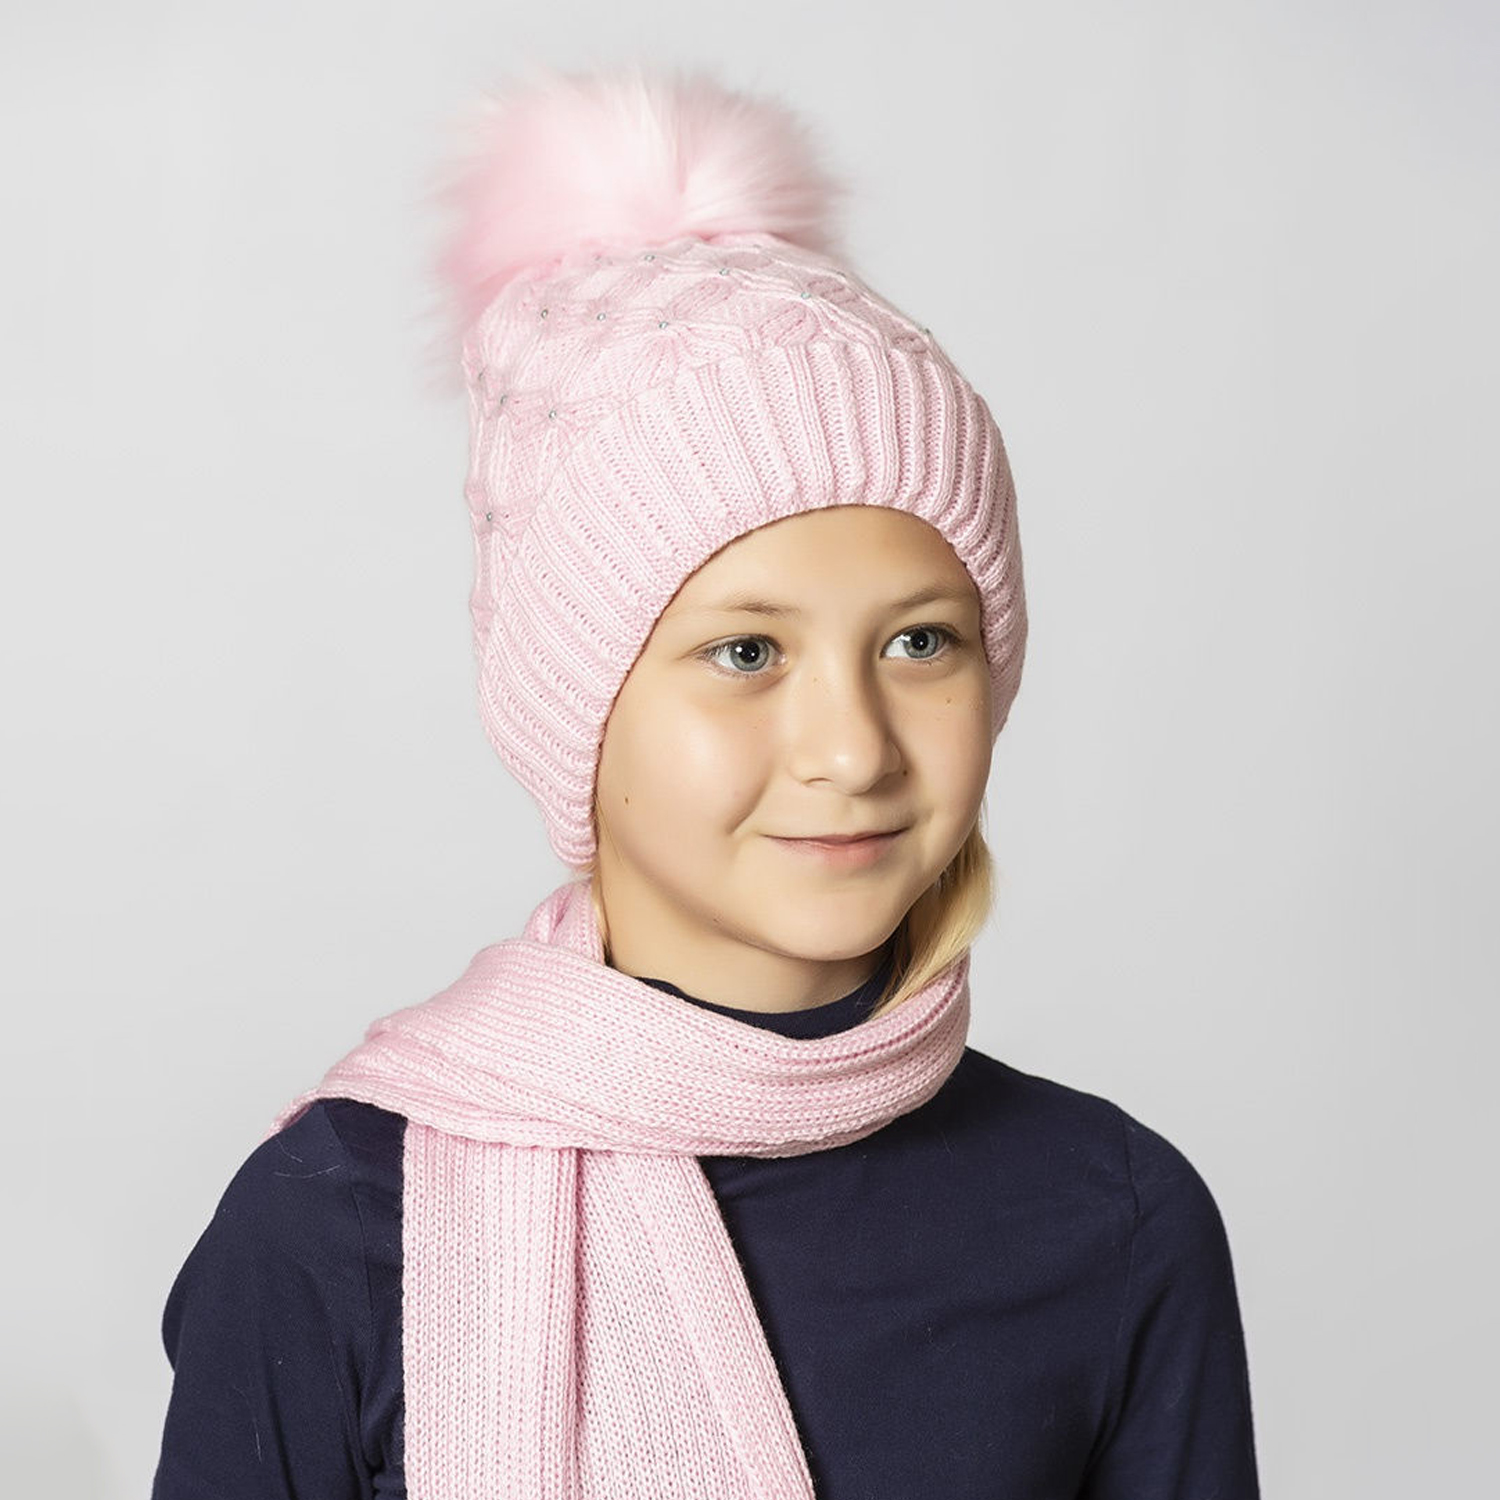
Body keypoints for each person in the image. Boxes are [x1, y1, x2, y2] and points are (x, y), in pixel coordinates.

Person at [150, 65, 1261, 1500]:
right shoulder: (336, 1231)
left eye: (920, 642)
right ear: (580, 703)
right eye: (746, 651)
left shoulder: (1114, 1219)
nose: (852, 749)